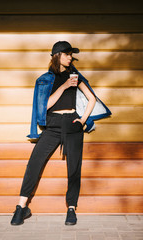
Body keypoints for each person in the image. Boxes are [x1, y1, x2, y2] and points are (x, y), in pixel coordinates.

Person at [10, 41, 111, 226]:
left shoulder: (76, 76)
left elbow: (92, 99)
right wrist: (64, 86)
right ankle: (20, 207)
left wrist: (82, 120)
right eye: (67, 54)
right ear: (57, 55)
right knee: (34, 163)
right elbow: (44, 106)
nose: (70, 57)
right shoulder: (45, 80)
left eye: (71, 54)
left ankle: (71, 208)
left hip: (72, 124)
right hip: (53, 125)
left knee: (74, 168)